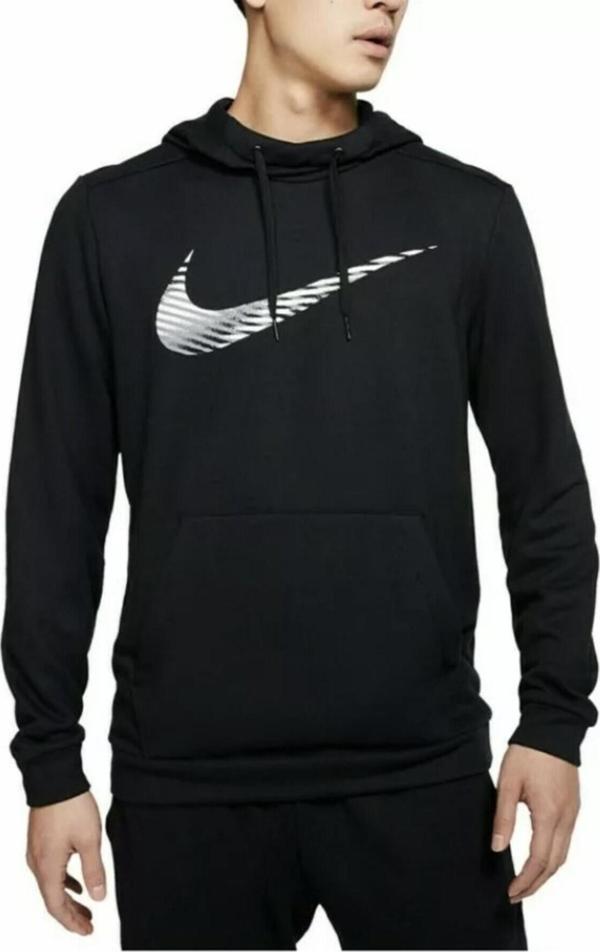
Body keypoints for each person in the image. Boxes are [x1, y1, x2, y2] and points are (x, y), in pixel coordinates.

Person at [1, 0, 597, 948]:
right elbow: (52, 511)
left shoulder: (467, 213)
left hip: (425, 775)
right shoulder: (111, 220)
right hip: (187, 787)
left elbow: (545, 488)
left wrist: (555, 721)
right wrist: (49, 762)